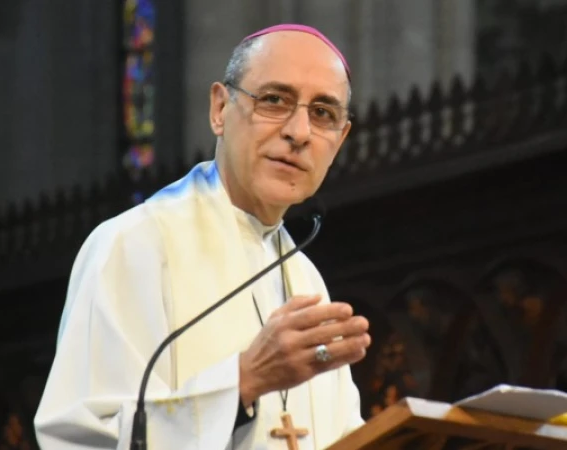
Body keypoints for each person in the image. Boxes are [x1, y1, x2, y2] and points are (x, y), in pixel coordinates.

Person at [34, 24, 371, 449]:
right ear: (219, 109)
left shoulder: (308, 283)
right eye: (274, 100)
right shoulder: (135, 245)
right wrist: (242, 383)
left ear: (340, 140)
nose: (299, 132)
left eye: (323, 113)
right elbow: (82, 440)